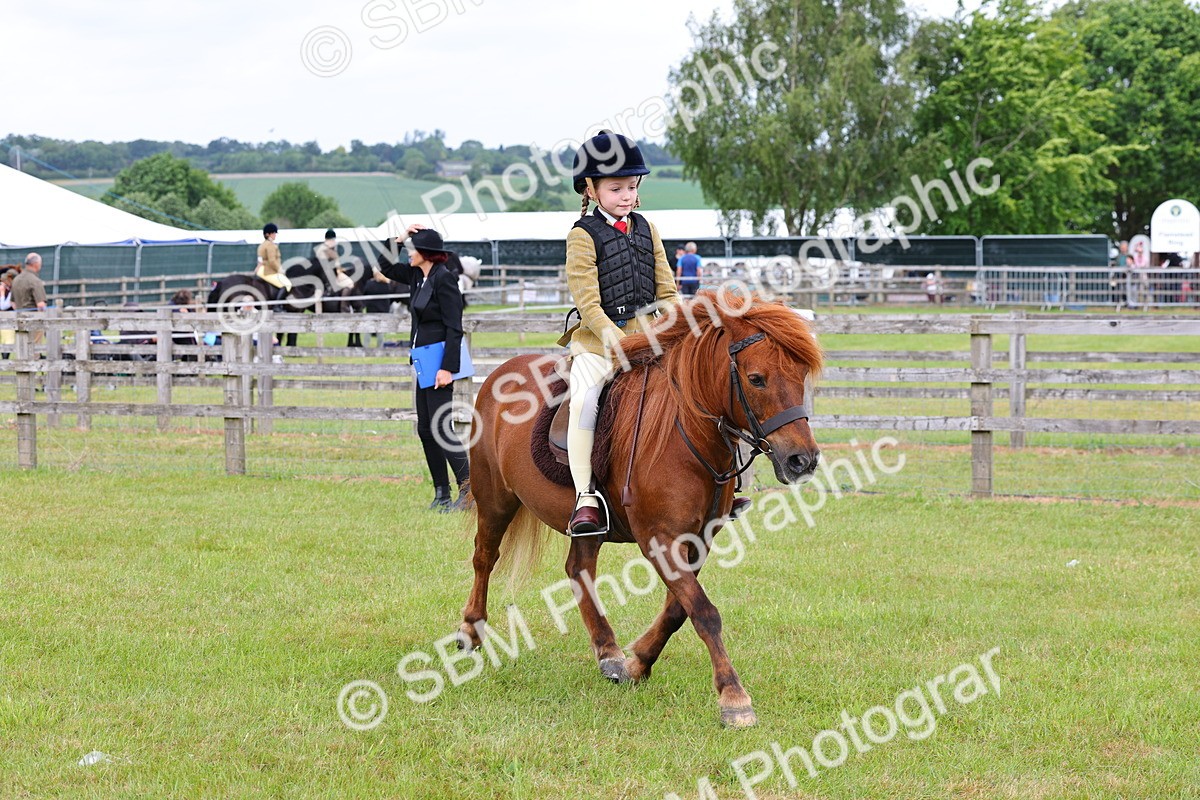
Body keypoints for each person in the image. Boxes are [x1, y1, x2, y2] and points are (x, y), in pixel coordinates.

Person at [559, 131, 685, 535]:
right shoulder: (582, 235)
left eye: (632, 187)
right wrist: (617, 340)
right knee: (585, 402)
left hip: (650, 342)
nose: (627, 195)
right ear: (592, 190)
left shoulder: (648, 228)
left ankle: (710, 486)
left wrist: (681, 328)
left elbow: (667, 291)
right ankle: (585, 498)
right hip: (598, 346)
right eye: (616, 189)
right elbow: (589, 304)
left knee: (699, 389)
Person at [377, 224, 470, 512]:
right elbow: (383, 265)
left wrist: (447, 369)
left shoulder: (445, 279)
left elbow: (455, 327)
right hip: (422, 361)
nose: (409, 253)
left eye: (412, 249)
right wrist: (400, 237)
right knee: (425, 429)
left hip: (440, 363)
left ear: (426, 253)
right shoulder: (416, 275)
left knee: (442, 427)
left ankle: (468, 492)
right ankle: (441, 492)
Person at [13, 253, 48, 344]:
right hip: (34, 320)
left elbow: (12, 303)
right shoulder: (35, 281)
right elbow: (41, 305)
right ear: (36, 264)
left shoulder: (16, 280)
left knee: (21, 347)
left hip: (19, 320)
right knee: (34, 349)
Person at [256, 223, 292, 302]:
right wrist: (280, 269)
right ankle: (277, 305)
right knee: (287, 284)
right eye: (273, 233)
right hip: (268, 271)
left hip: (261, 270)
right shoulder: (270, 245)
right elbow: (272, 261)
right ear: (268, 234)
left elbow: (260, 260)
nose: (275, 235)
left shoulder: (262, 245)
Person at [0, 268, 17, 358]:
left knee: (8, 337)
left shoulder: (12, 290)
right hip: (5, 316)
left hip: (9, 316)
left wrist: (2, 293)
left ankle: (5, 358)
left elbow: (4, 306)